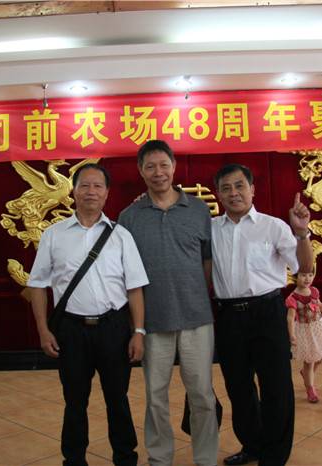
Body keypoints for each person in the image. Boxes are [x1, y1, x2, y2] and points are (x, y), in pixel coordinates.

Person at [27, 163, 148, 466]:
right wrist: (43, 329)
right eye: (85, 185)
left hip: (113, 329)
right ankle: (74, 460)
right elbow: (38, 285)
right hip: (71, 330)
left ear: (107, 193)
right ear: (73, 191)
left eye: (97, 186)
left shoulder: (121, 235)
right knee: (75, 402)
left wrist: (138, 332)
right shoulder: (54, 235)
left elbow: (134, 288)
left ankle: (125, 459)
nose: (91, 191)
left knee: (117, 400)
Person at [118, 140, 218, 466]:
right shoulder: (129, 217)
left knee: (202, 395)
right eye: (150, 166)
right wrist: (136, 326)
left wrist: (195, 293)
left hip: (196, 319)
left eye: (163, 165)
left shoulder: (199, 210)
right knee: (156, 398)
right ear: (140, 171)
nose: (158, 172)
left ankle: (205, 458)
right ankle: (160, 458)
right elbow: (124, 272)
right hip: (153, 321)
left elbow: (207, 261)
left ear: (174, 167)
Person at [211, 163, 313, 466]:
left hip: (267, 312)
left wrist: (302, 233)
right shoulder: (211, 229)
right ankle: (253, 445)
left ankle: (275, 456)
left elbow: (304, 267)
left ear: (252, 189)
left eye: (239, 185)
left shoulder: (274, 226)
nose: (233, 193)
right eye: (226, 188)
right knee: (238, 387)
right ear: (218, 194)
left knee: (276, 387)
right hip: (228, 316)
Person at [286, 270, 322, 403]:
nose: (307, 278)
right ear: (295, 277)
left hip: (317, 328)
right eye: (303, 275)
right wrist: (292, 334)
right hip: (305, 331)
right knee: (309, 361)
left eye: (310, 275)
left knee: (319, 359)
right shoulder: (293, 298)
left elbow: (320, 305)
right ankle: (310, 388)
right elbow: (290, 318)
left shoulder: (314, 291)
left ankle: (306, 373)